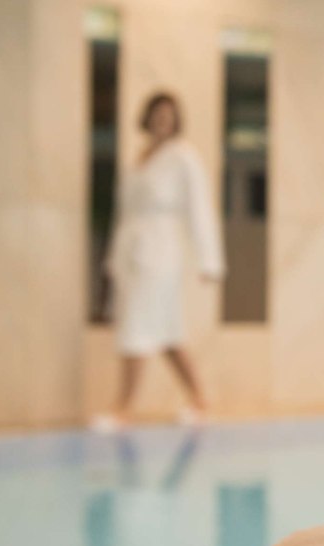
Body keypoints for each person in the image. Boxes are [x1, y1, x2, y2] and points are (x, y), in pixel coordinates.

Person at [92, 92, 224, 432]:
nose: (162, 120)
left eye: (169, 114)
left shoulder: (183, 158)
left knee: (135, 326)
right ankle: (199, 399)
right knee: (167, 332)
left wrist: (210, 259)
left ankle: (123, 408)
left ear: (177, 120)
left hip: (161, 253)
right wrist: (112, 260)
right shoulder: (138, 159)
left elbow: (200, 210)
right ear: (147, 117)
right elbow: (123, 215)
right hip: (131, 251)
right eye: (157, 113)